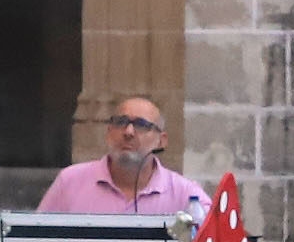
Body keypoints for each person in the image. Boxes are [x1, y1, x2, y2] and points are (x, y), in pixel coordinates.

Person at [53, 91, 212, 219]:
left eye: (141, 125)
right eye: (121, 122)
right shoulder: (70, 182)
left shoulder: (185, 195)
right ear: (109, 132)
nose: (128, 132)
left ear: (161, 140)